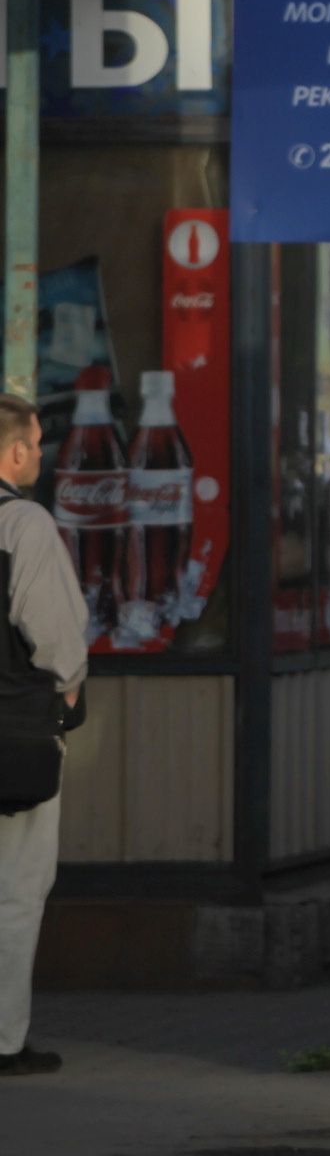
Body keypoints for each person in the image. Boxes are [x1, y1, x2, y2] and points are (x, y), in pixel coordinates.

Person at [0, 393, 84, 1078]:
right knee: (15, 887)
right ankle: (2, 1040)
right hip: (11, 734)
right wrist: (67, 689)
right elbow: (55, 639)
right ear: (18, 451)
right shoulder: (23, 523)